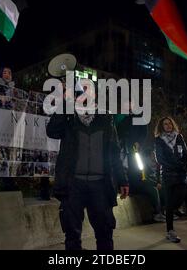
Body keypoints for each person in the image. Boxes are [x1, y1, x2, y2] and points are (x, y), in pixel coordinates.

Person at [46, 90, 129, 250]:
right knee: (72, 233)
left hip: (100, 185)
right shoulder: (69, 118)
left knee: (105, 232)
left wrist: (123, 179)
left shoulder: (106, 118)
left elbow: (114, 152)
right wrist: (64, 103)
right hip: (73, 185)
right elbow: (52, 131)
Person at [154, 116, 187, 243]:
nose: (168, 126)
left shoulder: (179, 137)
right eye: (165, 124)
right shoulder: (159, 140)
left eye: (169, 123)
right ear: (161, 127)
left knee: (181, 196)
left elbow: (186, 154)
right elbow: (160, 158)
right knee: (169, 203)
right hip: (168, 175)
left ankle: (170, 210)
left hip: (180, 174)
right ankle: (170, 231)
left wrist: (185, 165)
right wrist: (176, 165)